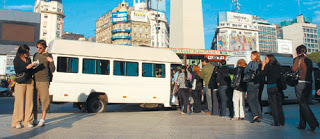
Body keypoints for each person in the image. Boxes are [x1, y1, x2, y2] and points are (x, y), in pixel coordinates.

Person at [293, 45, 319, 131]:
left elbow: (294, 69)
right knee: (303, 104)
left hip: (300, 83)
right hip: (309, 83)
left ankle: (313, 123)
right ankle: (302, 124)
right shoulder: (309, 60)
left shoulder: (298, 59)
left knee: (303, 104)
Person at [11, 44, 35, 129]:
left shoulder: (28, 59)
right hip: (20, 82)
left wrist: (33, 66)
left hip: (29, 81)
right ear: (21, 52)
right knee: (19, 103)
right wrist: (27, 67)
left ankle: (28, 121)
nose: (27, 53)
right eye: (26, 52)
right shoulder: (17, 59)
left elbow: (30, 70)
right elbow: (18, 69)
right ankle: (17, 121)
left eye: (28, 52)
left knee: (29, 103)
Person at [33, 40, 55, 127]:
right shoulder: (36, 55)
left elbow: (53, 69)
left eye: (40, 48)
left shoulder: (48, 56)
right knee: (35, 101)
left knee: (44, 100)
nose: (38, 49)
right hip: (35, 80)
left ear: (45, 47)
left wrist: (51, 61)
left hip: (44, 81)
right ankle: (35, 119)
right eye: (37, 47)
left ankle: (42, 119)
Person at [262, 54, 285, 126]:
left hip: (271, 87)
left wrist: (263, 66)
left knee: (273, 105)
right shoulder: (278, 66)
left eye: (266, 59)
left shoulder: (268, 66)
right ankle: (282, 121)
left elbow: (262, 74)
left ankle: (276, 122)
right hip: (278, 87)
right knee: (279, 105)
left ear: (269, 59)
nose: (265, 60)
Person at [244, 51, 262, 123]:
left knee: (250, 100)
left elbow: (245, 70)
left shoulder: (251, 63)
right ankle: (259, 115)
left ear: (255, 56)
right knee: (256, 100)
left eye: (252, 55)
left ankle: (255, 115)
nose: (250, 56)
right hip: (258, 83)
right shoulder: (260, 63)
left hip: (251, 83)